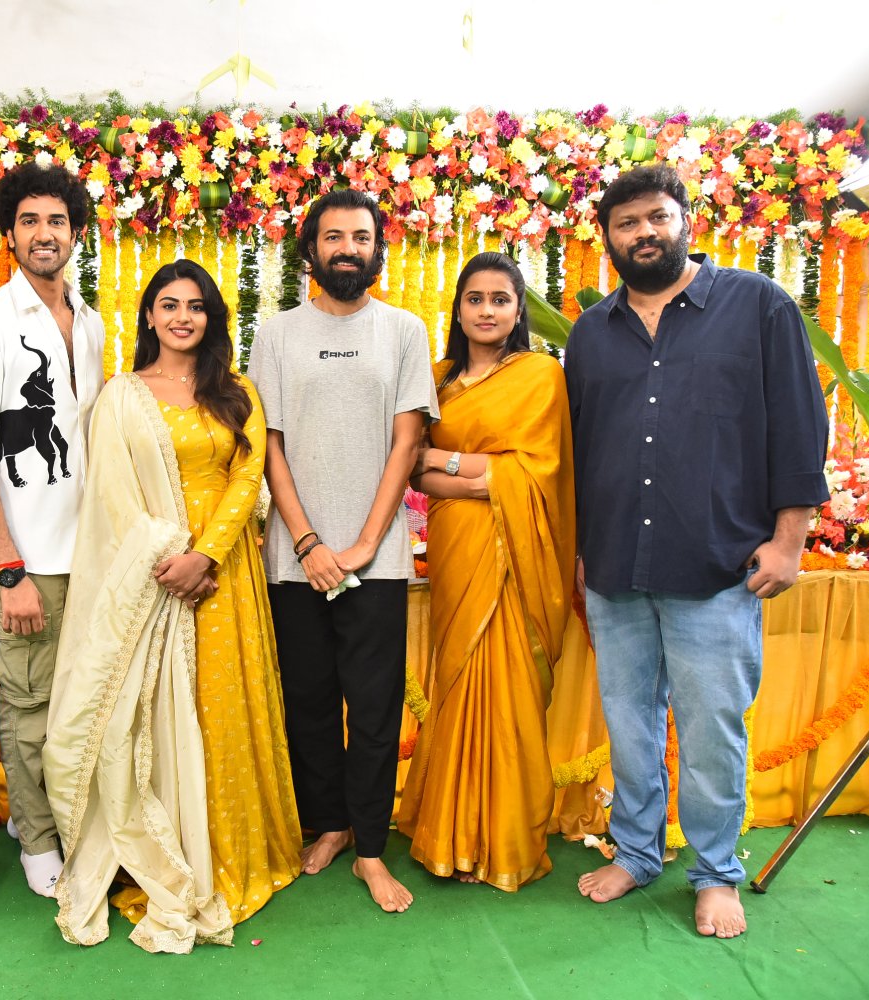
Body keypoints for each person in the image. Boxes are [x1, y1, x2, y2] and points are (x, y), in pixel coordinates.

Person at [566, 165, 829, 938]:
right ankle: (638, 852)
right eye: (626, 223)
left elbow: (799, 424)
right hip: (615, 567)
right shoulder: (591, 332)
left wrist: (790, 539)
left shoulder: (758, 306)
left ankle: (716, 872)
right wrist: (585, 550)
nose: (644, 233)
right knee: (629, 721)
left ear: (685, 220)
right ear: (606, 238)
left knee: (713, 725)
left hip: (717, 564)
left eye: (657, 217)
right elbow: (582, 447)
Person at [44, 260, 301, 951]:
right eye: (168, 305)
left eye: (195, 307)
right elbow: (111, 496)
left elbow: (249, 477)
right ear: (149, 316)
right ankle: (168, 854)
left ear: (212, 318)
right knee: (156, 716)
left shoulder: (236, 391)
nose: (182, 317)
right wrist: (168, 561)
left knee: (223, 711)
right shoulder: (121, 396)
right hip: (154, 582)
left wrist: (207, 556)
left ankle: (237, 850)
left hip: (225, 578)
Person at [247, 188, 433, 913]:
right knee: (311, 702)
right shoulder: (277, 334)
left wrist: (359, 544)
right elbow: (270, 444)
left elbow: (407, 440)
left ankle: (370, 850)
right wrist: (308, 541)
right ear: (311, 249)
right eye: (333, 237)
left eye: (360, 236)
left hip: (377, 560)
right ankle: (326, 825)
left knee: (376, 705)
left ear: (376, 248)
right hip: (297, 559)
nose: (347, 248)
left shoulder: (404, 331)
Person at [0, 162, 105, 899]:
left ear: (77, 233)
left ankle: (53, 819)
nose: (45, 234)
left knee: (76, 704)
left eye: (58, 222)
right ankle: (39, 844)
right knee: (30, 705)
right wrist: (9, 569)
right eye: (30, 221)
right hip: (23, 558)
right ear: (9, 233)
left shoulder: (92, 321)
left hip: (90, 556)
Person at [396, 252, 574, 890]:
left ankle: (499, 837)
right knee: (458, 675)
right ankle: (447, 828)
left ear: (518, 308)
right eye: (476, 299)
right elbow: (408, 466)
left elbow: (537, 475)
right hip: (456, 546)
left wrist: (448, 464)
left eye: (501, 299)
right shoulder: (437, 379)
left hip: (515, 553)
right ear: (459, 308)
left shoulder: (540, 376)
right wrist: (468, 471)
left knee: (507, 686)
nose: (488, 310)